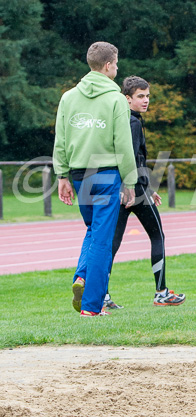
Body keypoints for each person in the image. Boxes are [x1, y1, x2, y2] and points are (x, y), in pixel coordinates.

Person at [52, 42, 137, 317]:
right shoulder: (115, 100)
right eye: (117, 63)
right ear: (108, 66)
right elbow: (123, 145)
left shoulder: (68, 98)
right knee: (102, 239)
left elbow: (61, 140)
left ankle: (82, 276)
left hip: (79, 174)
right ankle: (91, 306)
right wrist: (131, 181)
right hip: (106, 173)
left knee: (93, 230)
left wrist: (62, 175)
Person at [106, 76, 186, 308]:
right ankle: (161, 292)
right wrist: (137, 188)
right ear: (127, 98)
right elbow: (130, 157)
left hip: (125, 188)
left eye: (148, 96)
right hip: (133, 190)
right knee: (158, 236)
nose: (146, 100)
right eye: (140, 96)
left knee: (112, 243)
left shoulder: (122, 120)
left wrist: (148, 189)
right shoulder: (133, 123)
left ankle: (102, 294)